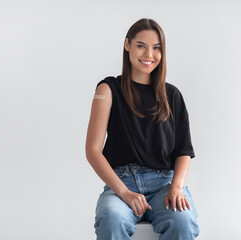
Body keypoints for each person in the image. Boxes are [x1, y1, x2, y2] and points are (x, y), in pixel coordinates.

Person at [85, 18, 200, 240]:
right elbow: (92, 151)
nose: (149, 54)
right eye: (141, 45)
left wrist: (176, 188)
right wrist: (124, 193)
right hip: (121, 183)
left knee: (183, 222)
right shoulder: (108, 89)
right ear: (127, 45)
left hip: (164, 184)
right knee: (111, 219)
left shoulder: (172, 95)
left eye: (157, 48)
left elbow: (184, 151)